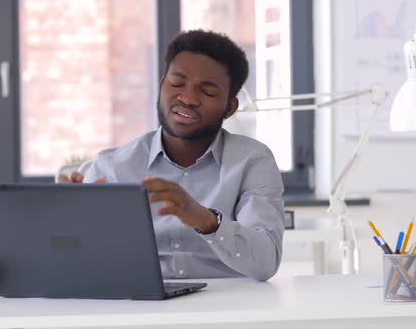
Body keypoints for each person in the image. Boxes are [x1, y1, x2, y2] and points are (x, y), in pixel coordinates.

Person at [59, 30, 284, 281]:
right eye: (177, 84)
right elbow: (72, 258)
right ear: (161, 86)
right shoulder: (111, 167)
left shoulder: (252, 162)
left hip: (226, 310)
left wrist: (208, 221)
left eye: (207, 92)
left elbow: (266, 263)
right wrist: (68, 218)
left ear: (230, 108)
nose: (187, 99)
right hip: (139, 308)